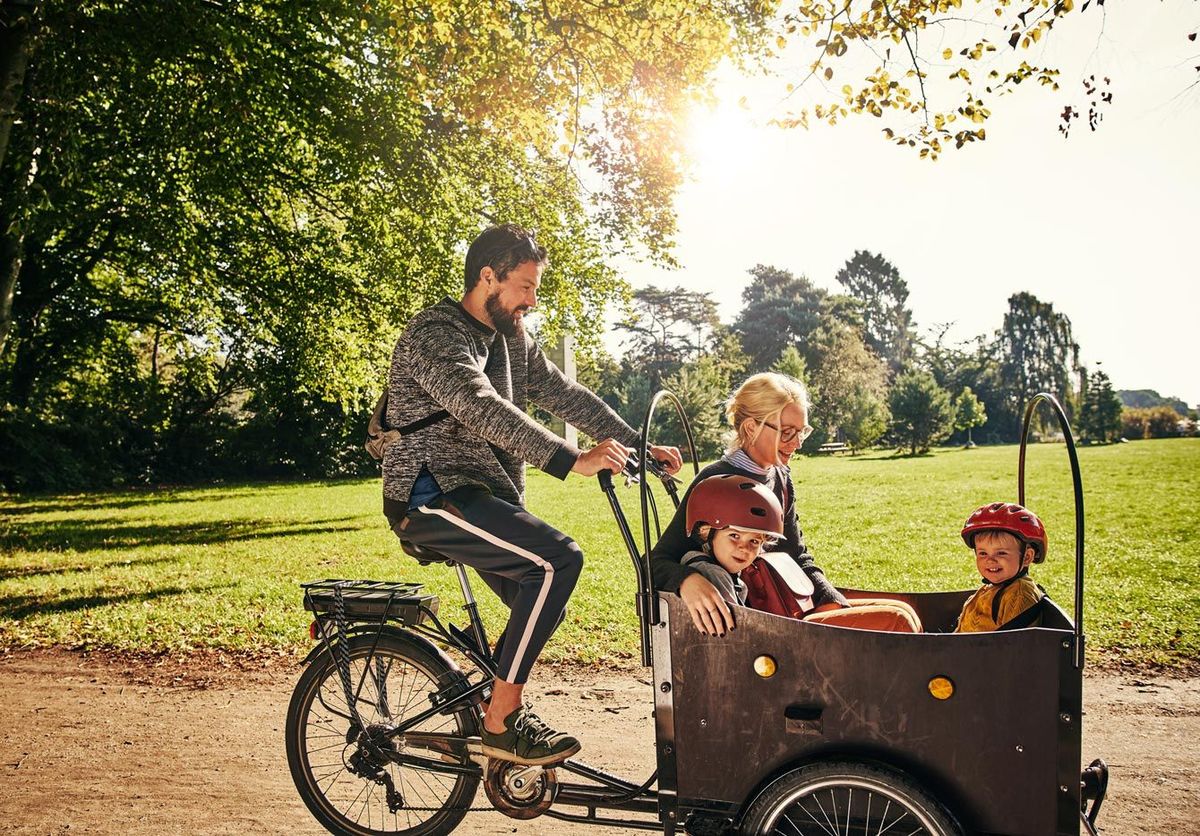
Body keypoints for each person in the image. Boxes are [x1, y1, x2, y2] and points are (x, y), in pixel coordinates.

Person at [382, 223, 681, 766]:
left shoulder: (511, 339)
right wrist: (572, 460)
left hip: (480, 496)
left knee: (542, 602)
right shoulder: (435, 334)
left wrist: (636, 445)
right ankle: (501, 721)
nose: (531, 301)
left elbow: (562, 394)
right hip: (430, 493)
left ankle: (486, 704)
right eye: (524, 286)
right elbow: (482, 407)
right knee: (556, 562)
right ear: (487, 277)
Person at [650, 371, 921, 636]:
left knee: (904, 610)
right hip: (759, 625)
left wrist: (829, 599)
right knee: (897, 621)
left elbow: (797, 552)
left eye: (801, 432)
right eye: (787, 432)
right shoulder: (715, 482)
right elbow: (656, 561)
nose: (797, 443)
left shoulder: (779, 477)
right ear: (750, 427)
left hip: (787, 603)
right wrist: (687, 580)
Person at [676, 474, 787, 614]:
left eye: (754, 541)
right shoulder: (715, 574)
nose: (744, 548)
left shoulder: (696, 561)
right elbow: (738, 630)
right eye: (734, 536)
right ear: (706, 532)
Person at [954, 502, 1048, 632]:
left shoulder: (1019, 594)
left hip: (982, 651)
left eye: (1001, 553)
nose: (990, 560)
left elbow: (1009, 643)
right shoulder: (991, 588)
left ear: (1026, 557)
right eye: (983, 553)